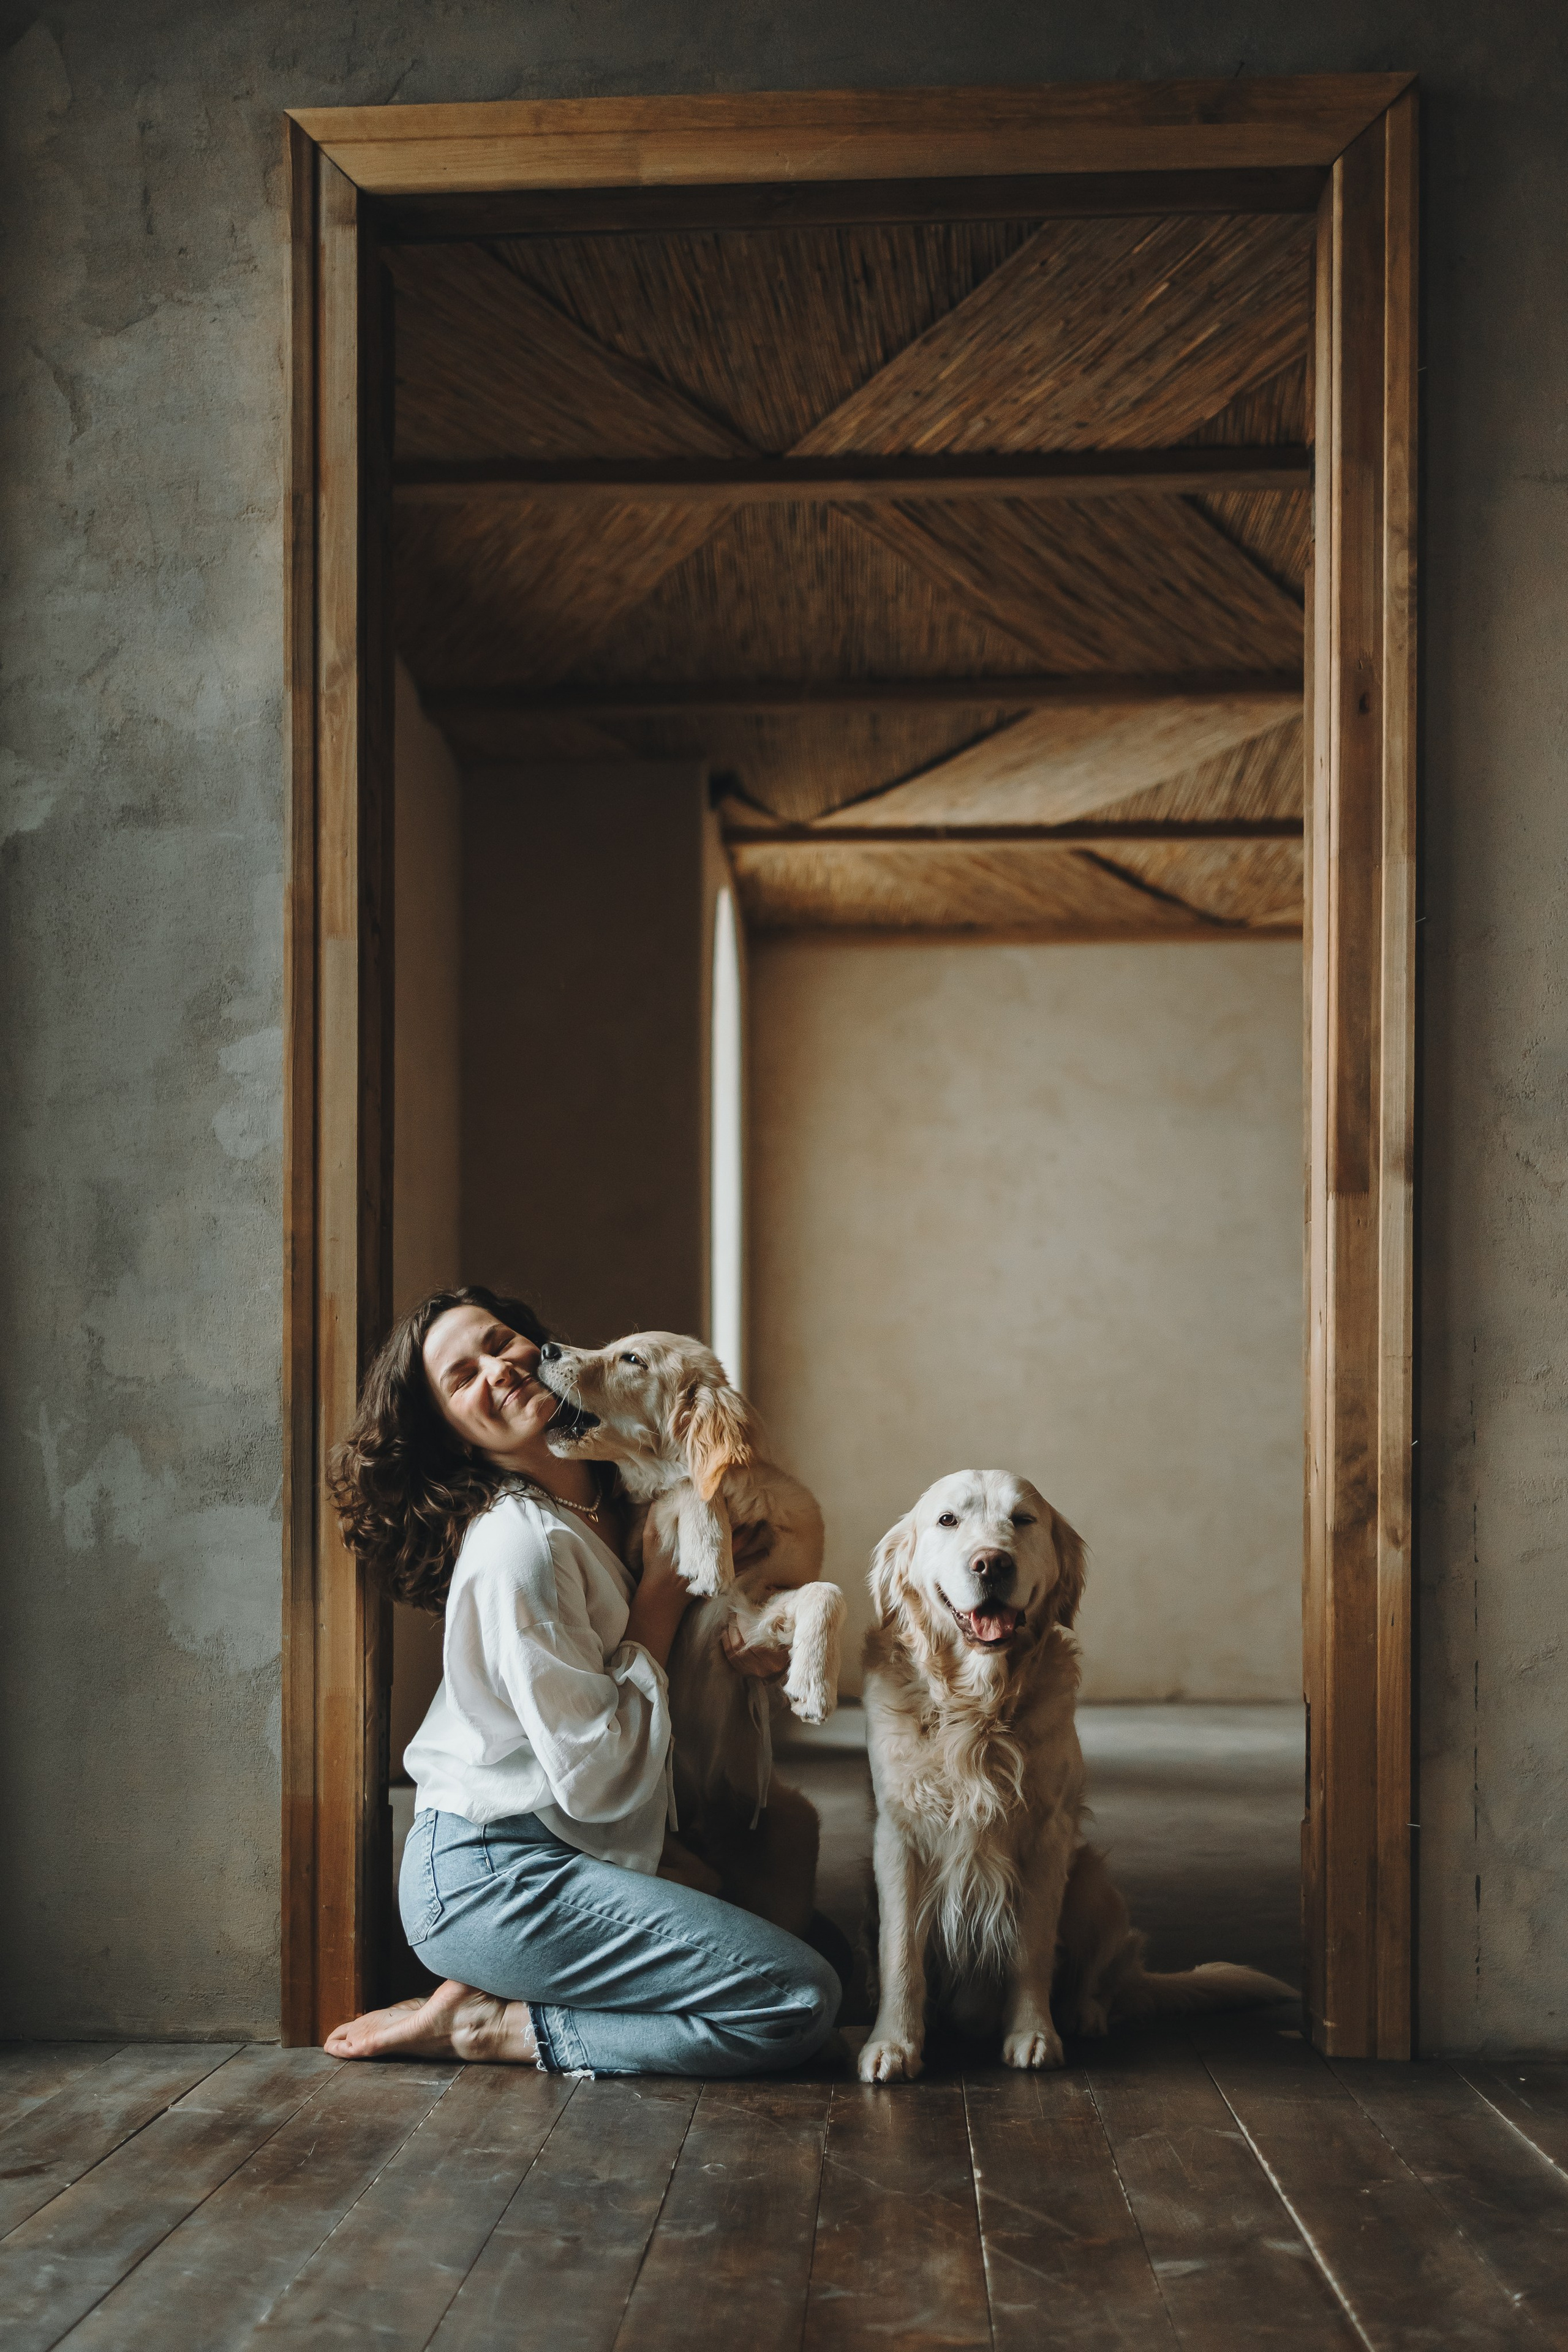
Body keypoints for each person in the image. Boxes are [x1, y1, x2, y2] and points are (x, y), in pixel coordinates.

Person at [321, 1284, 840, 2075]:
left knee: (812, 1924)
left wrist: (749, 1656)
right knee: (798, 1999)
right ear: (457, 1438)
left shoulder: (614, 1501)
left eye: (500, 1343)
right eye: (463, 1378)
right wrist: (662, 1600)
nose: (496, 1371)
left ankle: (484, 1987)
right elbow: (596, 1778)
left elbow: (678, 1698)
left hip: (584, 1845)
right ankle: (496, 2029)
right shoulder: (518, 1551)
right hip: (490, 1874)